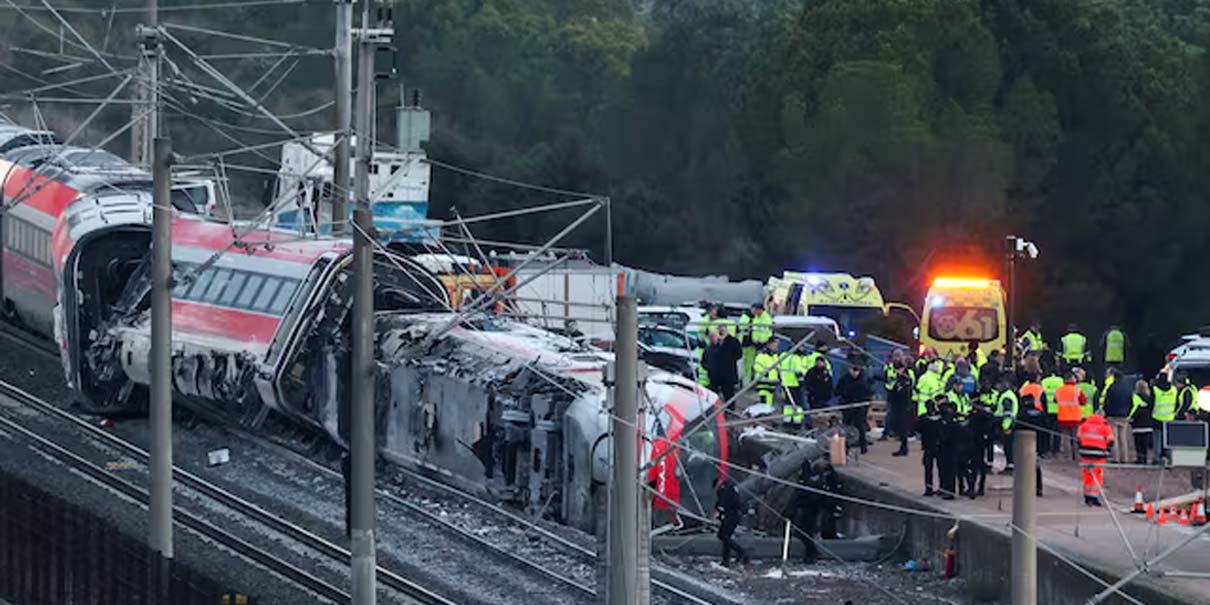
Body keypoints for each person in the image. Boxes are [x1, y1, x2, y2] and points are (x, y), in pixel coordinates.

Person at [787, 459, 830, 563]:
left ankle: (812, 553)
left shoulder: (808, 480)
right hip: (811, 509)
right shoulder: (818, 480)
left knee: (802, 532)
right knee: (804, 532)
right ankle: (811, 553)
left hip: (807, 509)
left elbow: (801, 494)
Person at [835, 355, 872, 454]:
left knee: (860, 426)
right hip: (847, 406)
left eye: (857, 370)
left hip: (859, 407)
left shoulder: (863, 380)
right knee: (846, 426)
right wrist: (847, 392)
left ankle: (863, 446)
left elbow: (868, 393)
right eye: (853, 370)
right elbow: (837, 391)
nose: (855, 373)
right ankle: (845, 448)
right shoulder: (844, 379)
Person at [1077, 412, 1114, 506]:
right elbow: (1110, 441)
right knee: (1097, 475)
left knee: (1087, 475)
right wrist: (1107, 451)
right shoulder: (1105, 426)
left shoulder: (1084, 425)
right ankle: (1094, 496)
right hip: (1099, 454)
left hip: (1085, 453)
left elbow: (1078, 438)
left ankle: (1087, 496)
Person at [1101, 368, 1134, 463]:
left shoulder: (1112, 387)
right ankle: (1125, 458)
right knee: (1123, 438)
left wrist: (1106, 413)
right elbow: (1131, 402)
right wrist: (1128, 412)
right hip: (1124, 415)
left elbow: (1107, 402)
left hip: (1113, 415)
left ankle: (1116, 458)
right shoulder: (1128, 388)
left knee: (1114, 437)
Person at [714, 476, 749, 566]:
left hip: (731, 515)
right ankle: (726, 560)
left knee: (723, 536)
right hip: (733, 515)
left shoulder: (725, 489)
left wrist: (719, 512)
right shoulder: (728, 487)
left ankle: (741, 552)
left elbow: (724, 503)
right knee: (726, 537)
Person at [704, 325, 742, 407]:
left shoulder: (731, 343)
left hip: (728, 374)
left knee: (728, 394)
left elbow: (738, 354)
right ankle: (713, 409)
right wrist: (709, 368)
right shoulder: (710, 347)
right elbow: (705, 360)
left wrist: (727, 338)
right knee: (713, 395)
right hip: (714, 375)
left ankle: (730, 411)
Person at [1054, 373, 1088, 460]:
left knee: (1065, 439)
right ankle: (1076, 456)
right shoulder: (1077, 390)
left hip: (1063, 417)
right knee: (1075, 439)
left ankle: (1067, 457)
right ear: (1072, 379)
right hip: (1075, 418)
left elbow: (1055, 400)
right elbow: (1084, 402)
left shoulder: (1058, 390)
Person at [968, 401, 998, 498]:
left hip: (974, 443)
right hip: (985, 443)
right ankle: (980, 488)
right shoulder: (989, 416)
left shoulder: (974, 416)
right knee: (982, 466)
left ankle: (972, 488)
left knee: (974, 467)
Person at [887, 360, 915, 456]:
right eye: (896, 369)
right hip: (897, 405)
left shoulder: (906, 378)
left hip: (904, 406)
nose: (897, 370)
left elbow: (905, 392)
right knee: (898, 426)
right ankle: (903, 447)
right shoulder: (898, 378)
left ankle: (904, 448)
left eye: (899, 368)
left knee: (902, 428)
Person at [918, 395, 945, 497]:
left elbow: (919, 429)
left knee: (929, 468)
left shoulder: (923, 418)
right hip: (938, 445)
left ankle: (929, 488)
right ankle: (941, 488)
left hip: (928, 446)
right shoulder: (940, 417)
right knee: (940, 468)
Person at [937, 398, 961, 500]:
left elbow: (948, 435)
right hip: (944, 449)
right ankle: (944, 489)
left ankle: (950, 491)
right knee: (943, 470)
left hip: (950, 449)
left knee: (950, 471)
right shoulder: (944, 421)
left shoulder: (952, 422)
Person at [1151, 373, 1178, 464]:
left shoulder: (1155, 389)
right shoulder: (1173, 389)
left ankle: (1157, 458)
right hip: (1170, 417)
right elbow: (1176, 402)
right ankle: (1170, 458)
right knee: (1168, 439)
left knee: (1157, 439)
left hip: (1157, 417)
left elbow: (1151, 403)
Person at [1130, 379, 1154, 465]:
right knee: (1145, 443)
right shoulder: (1150, 398)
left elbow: (1134, 408)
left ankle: (1140, 458)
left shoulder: (1136, 396)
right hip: (1148, 423)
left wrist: (1131, 417)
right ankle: (1145, 457)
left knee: (1138, 442)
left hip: (1138, 423)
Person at [753, 339, 783, 409]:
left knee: (769, 401)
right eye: (774, 346)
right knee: (764, 401)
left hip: (772, 382)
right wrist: (766, 373)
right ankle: (763, 415)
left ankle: (765, 414)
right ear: (769, 345)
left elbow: (778, 368)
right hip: (763, 381)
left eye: (777, 346)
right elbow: (756, 366)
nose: (776, 348)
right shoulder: (762, 355)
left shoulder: (775, 356)